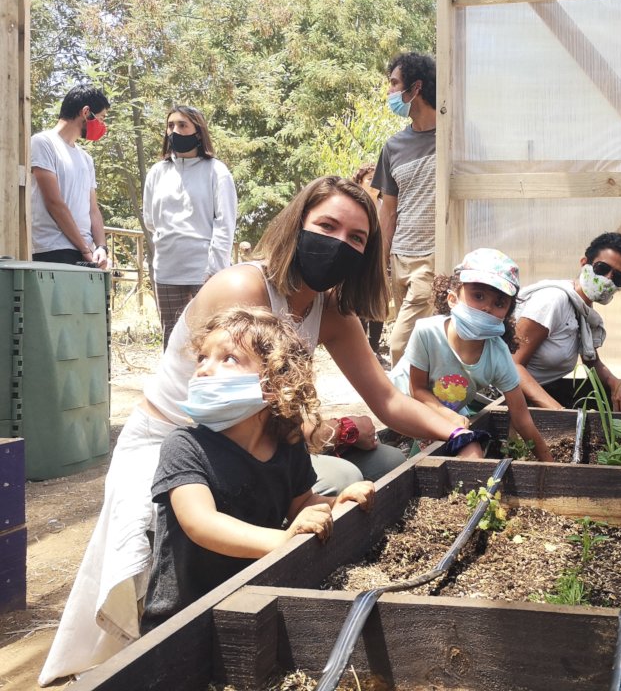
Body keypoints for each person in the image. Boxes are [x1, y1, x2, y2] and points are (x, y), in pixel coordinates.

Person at [39, 175, 485, 684]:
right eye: (327, 226)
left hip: (257, 440)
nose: (339, 243)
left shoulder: (333, 311)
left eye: (356, 238)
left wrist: (458, 433)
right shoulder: (244, 287)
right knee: (328, 477)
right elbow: (223, 390)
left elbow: (387, 400)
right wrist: (327, 432)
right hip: (180, 437)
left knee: (380, 467)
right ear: (298, 225)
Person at [141, 306, 374, 632]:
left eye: (229, 358)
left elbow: (301, 505)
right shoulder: (184, 446)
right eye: (202, 358)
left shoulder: (286, 441)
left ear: (274, 385)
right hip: (182, 620)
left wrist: (338, 505)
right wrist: (284, 541)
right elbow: (202, 524)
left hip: (250, 603)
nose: (205, 370)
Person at [389, 248, 555, 462]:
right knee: (426, 456)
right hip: (405, 403)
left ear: (507, 312)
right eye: (478, 296)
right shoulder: (427, 333)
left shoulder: (497, 354)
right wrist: (447, 416)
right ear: (452, 298)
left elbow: (521, 416)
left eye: (499, 303)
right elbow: (417, 389)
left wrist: (548, 462)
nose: (486, 307)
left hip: (450, 409)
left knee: (470, 451)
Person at [144, 106, 238, 348]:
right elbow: (151, 221)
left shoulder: (217, 172)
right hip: (166, 270)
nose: (175, 131)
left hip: (204, 272)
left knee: (209, 340)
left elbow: (225, 224)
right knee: (172, 342)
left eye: (183, 125)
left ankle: (206, 386)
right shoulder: (157, 172)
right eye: (171, 125)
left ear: (198, 132)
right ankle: (174, 388)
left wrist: (214, 271)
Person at [512, 232, 621, 412]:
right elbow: (512, 365)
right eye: (602, 268)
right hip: (501, 398)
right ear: (584, 263)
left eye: (618, 277)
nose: (607, 279)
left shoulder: (583, 312)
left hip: (529, 399)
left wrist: (615, 383)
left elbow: (591, 361)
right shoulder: (553, 301)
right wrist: (560, 412)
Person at [372, 52, 437, 366]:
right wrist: (380, 264)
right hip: (400, 258)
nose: (390, 93)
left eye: (395, 84)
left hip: (433, 258)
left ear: (417, 88)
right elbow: (388, 211)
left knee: (400, 347)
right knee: (422, 353)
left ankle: (405, 411)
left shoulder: (454, 139)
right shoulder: (393, 146)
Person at [30, 83, 111, 270]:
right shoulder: (43, 143)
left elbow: (93, 209)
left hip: (86, 252)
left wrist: (100, 246)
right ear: (86, 112)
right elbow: (54, 203)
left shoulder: (86, 158)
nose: (101, 126)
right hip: (53, 248)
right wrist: (84, 249)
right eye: (101, 118)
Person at [354, 163, 386, 360]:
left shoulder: (387, 206)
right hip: (359, 261)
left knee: (379, 304)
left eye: (377, 179)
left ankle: (374, 348)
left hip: (382, 262)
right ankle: (360, 349)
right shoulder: (356, 204)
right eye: (369, 179)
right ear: (360, 181)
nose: (374, 183)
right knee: (359, 304)